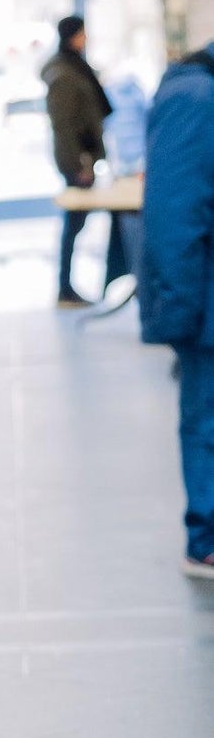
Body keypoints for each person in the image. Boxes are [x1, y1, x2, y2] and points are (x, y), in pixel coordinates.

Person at [141, 40, 214, 579]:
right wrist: (180, 311)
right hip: (206, 307)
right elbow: (173, 215)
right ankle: (206, 538)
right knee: (207, 420)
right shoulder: (194, 97)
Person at [42, 14, 126, 306]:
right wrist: (79, 164)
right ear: (72, 36)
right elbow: (64, 126)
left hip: (83, 158)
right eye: (82, 33)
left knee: (76, 223)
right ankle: (65, 288)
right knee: (74, 223)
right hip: (77, 162)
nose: (86, 38)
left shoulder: (74, 67)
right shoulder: (64, 74)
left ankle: (66, 287)